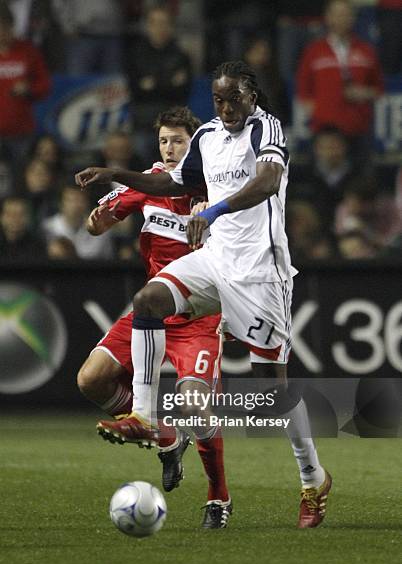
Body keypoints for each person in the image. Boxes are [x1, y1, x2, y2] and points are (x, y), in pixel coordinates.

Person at [75, 61, 332, 529]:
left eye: (234, 97)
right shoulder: (208, 136)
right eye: (219, 99)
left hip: (260, 271)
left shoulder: (265, 128)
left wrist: (212, 210)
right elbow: (171, 181)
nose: (227, 107)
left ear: (251, 95)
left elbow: (268, 181)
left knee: (272, 394)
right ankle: (148, 416)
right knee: (148, 301)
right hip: (215, 261)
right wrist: (115, 173)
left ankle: (313, 478)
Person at [77, 106, 230, 529]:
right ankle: (163, 434)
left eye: (178, 140)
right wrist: (100, 218)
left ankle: (218, 497)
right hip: (151, 311)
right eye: (164, 140)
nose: (170, 148)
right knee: (91, 379)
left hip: (199, 315)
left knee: (197, 406)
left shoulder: (216, 189)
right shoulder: (147, 183)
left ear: (196, 144)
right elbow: (96, 226)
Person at [296, 0, 384, 163]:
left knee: (360, 184)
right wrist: (319, 112)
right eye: (337, 14)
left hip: (358, 130)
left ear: (353, 18)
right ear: (328, 18)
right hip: (325, 132)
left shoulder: (366, 51)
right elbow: (303, 88)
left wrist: (364, 93)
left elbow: (378, 88)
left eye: (346, 14)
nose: (341, 19)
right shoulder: (314, 51)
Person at [126, 5, 192, 165]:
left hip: (172, 124)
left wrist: (153, 84)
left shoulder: (181, 55)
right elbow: (136, 89)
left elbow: (184, 91)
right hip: (144, 121)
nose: (160, 28)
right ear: (148, 26)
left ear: (171, 26)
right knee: (142, 165)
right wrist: (169, 82)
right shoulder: (135, 54)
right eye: (155, 23)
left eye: (164, 23)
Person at [0, 1, 51, 177]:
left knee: (21, 176)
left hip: (21, 132)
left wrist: (28, 89)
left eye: (5, 27)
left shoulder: (28, 51)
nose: (2, 33)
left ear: (12, 26)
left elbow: (45, 86)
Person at [41, 183, 114, 260]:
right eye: (71, 200)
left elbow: (108, 262)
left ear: (87, 202)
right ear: (61, 203)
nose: (75, 205)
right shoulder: (48, 228)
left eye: (80, 200)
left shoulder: (101, 230)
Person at [0, 196, 47, 262]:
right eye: (10, 214)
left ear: (28, 217)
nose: (15, 219)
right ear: (2, 217)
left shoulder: (37, 246)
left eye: (21, 214)